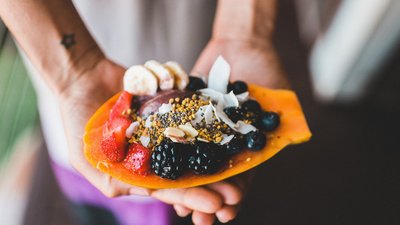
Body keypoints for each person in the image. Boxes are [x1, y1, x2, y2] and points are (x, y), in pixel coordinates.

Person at [0, 0, 289, 224]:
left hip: (198, 37)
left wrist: (243, 32)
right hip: (58, 42)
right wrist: (74, 72)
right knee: (90, 199)